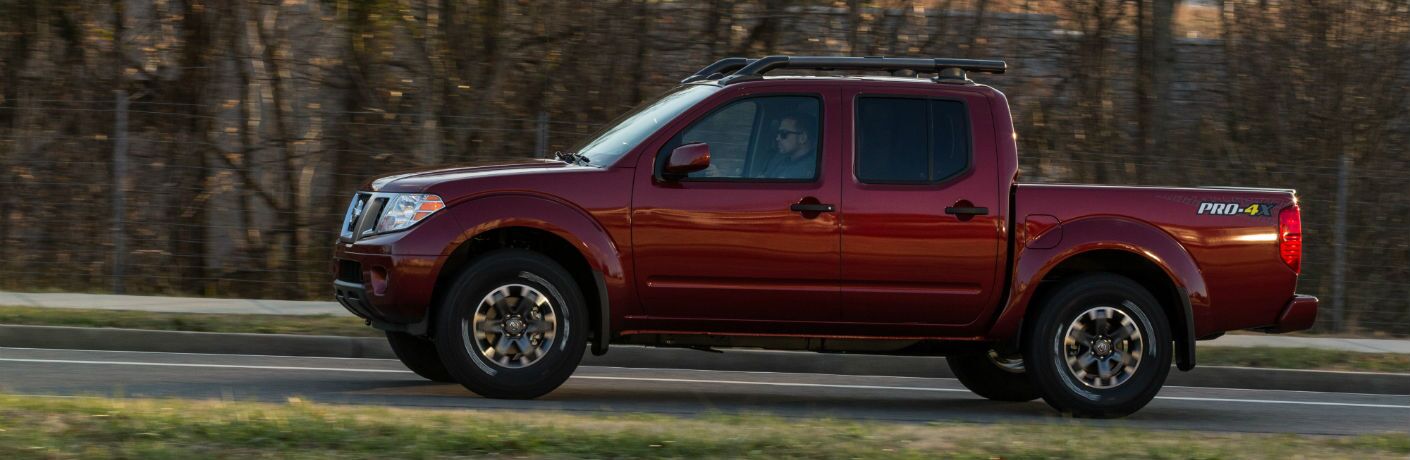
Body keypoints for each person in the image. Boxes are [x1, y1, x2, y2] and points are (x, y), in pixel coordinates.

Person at [759, 113, 817, 179]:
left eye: (783, 133)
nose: (777, 138)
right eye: (777, 133)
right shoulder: (778, 159)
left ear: (802, 138)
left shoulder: (811, 170)